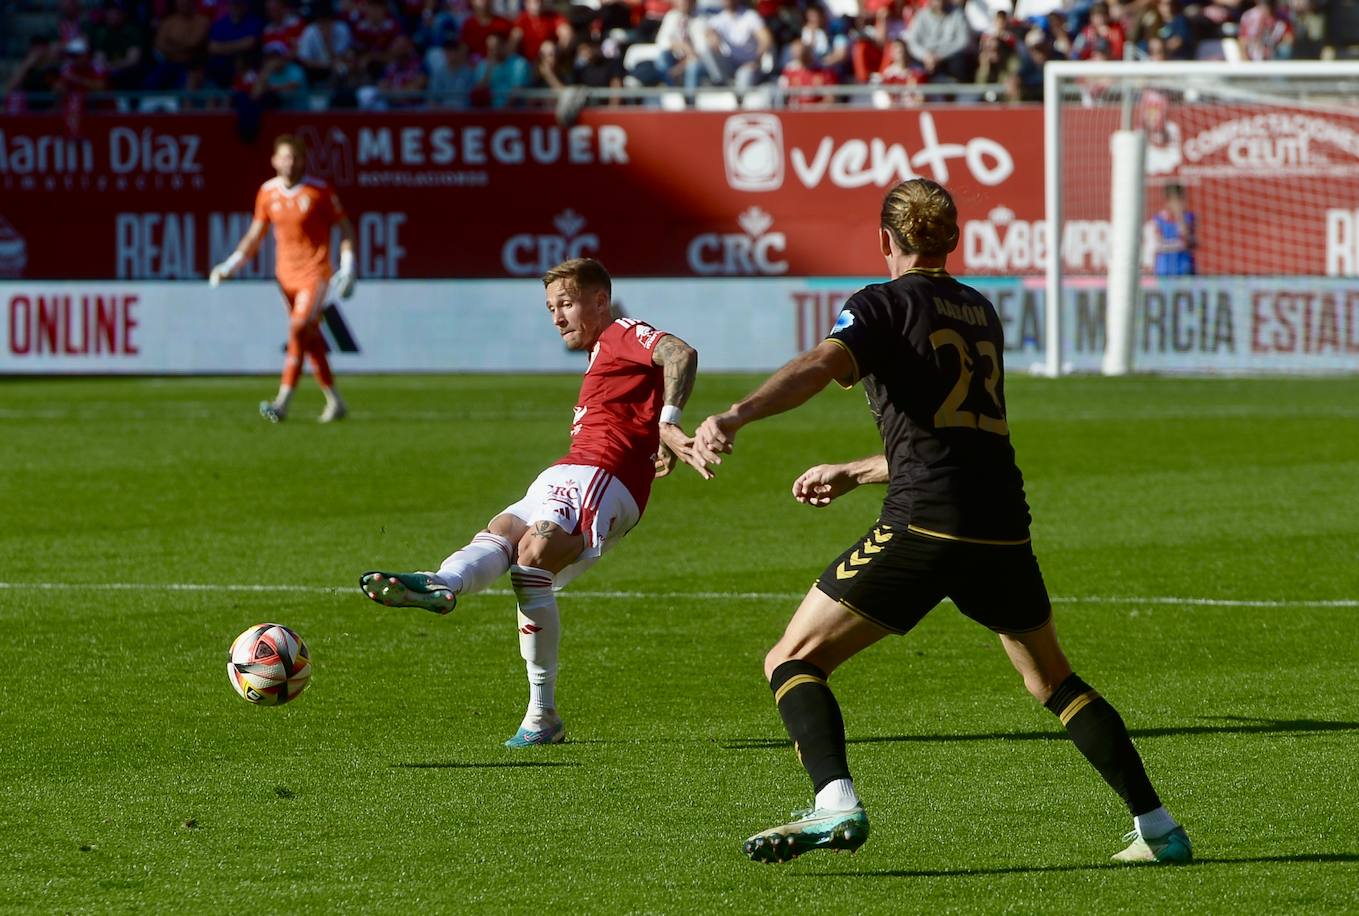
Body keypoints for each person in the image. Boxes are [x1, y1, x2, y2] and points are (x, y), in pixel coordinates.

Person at [686, 178, 1192, 867]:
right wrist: (856, 470)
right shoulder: (979, 311)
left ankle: (834, 803)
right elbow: (953, 436)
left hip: (925, 523)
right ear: (953, 239)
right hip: (1001, 523)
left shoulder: (880, 305)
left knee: (793, 658)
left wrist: (735, 414)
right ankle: (1159, 827)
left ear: (885, 241)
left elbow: (818, 364)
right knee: (1052, 680)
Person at [359, 258, 700, 748]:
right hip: (572, 468)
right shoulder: (605, 349)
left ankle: (542, 716)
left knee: (533, 557)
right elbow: (642, 396)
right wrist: (657, 432)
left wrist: (668, 423)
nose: (557, 317)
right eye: (550, 308)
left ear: (599, 302)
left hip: (603, 476)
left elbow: (680, 353)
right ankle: (442, 582)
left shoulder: (623, 330)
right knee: (504, 530)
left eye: (565, 303)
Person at [208, 134, 357, 423]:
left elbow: (346, 230)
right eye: (284, 157)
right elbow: (255, 236)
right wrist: (230, 265)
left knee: (299, 328)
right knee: (309, 338)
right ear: (274, 160)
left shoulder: (319, 192)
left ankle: (282, 402)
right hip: (285, 277)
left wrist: (348, 267)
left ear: (303, 160)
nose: (289, 163)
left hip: (315, 273)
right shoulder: (267, 192)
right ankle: (335, 402)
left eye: (295, 157)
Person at [1151, 182, 1197, 276]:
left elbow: (1187, 238)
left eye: (1181, 200)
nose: (1179, 204)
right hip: (1164, 269)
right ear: (1168, 202)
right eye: (1176, 200)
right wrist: (1179, 244)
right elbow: (1157, 244)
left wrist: (1179, 216)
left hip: (1184, 268)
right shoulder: (1158, 220)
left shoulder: (1189, 217)